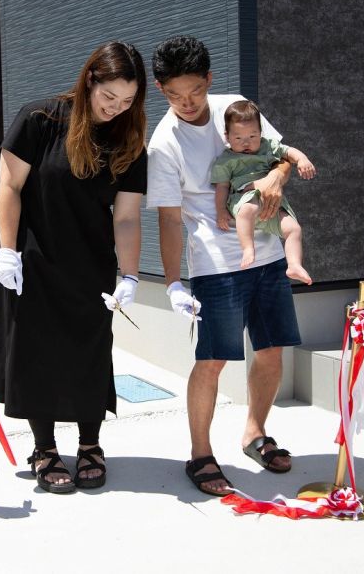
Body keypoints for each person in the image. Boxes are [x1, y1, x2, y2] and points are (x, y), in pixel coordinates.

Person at [0, 41, 148, 494]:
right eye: (108, 97)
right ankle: (44, 447)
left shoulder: (130, 140)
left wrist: (131, 275)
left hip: (91, 263)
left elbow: (128, 215)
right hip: (32, 258)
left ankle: (90, 445)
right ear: (90, 80)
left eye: (127, 101)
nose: (116, 109)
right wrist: (6, 251)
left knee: (89, 350)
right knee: (37, 351)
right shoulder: (41, 120)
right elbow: (9, 186)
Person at [146, 35, 301, 496]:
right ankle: (200, 454)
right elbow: (170, 221)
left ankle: (255, 433)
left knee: (271, 350)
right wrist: (174, 282)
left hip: (270, 252)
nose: (186, 103)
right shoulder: (164, 144)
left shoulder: (236, 107)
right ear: (160, 89)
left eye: (194, 92)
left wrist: (276, 175)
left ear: (209, 80)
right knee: (212, 360)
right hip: (216, 265)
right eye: (174, 95)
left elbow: (281, 156)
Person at [211, 99, 315, 283]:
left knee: (293, 229)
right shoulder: (226, 160)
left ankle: (294, 264)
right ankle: (248, 248)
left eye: (252, 136)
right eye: (238, 138)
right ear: (227, 137)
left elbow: (288, 151)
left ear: (261, 132)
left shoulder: (267, 146)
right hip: (245, 197)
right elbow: (222, 187)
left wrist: (303, 159)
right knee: (247, 210)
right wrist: (220, 210)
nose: (246, 143)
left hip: (271, 203)